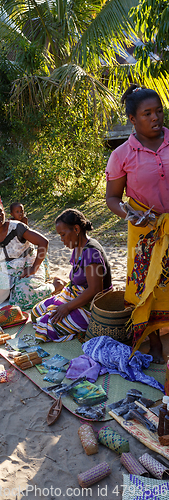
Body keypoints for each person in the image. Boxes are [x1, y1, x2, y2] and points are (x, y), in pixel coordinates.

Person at [106, 84, 169, 364]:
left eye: (159, 111)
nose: (156, 117)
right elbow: (112, 198)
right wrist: (129, 213)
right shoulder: (122, 155)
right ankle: (154, 345)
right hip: (145, 233)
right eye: (147, 113)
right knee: (146, 288)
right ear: (133, 119)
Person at [32, 209, 112, 343]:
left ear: (76, 229)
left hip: (92, 304)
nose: (62, 240)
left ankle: (84, 325)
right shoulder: (77, 247)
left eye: (63, 235)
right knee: (35, 314)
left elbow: (95, 290)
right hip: (76, 295)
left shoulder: (91, 252)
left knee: (51, 326)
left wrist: (67, 307)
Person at [0, 199, 54, 310]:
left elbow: (43, 242)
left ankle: (55, 285)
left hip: (28, 266)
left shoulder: (17, 227)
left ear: (4, 212)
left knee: (23, 296)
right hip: (9, 270)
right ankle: (15, 289)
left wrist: (33, 268)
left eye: (0, 212)